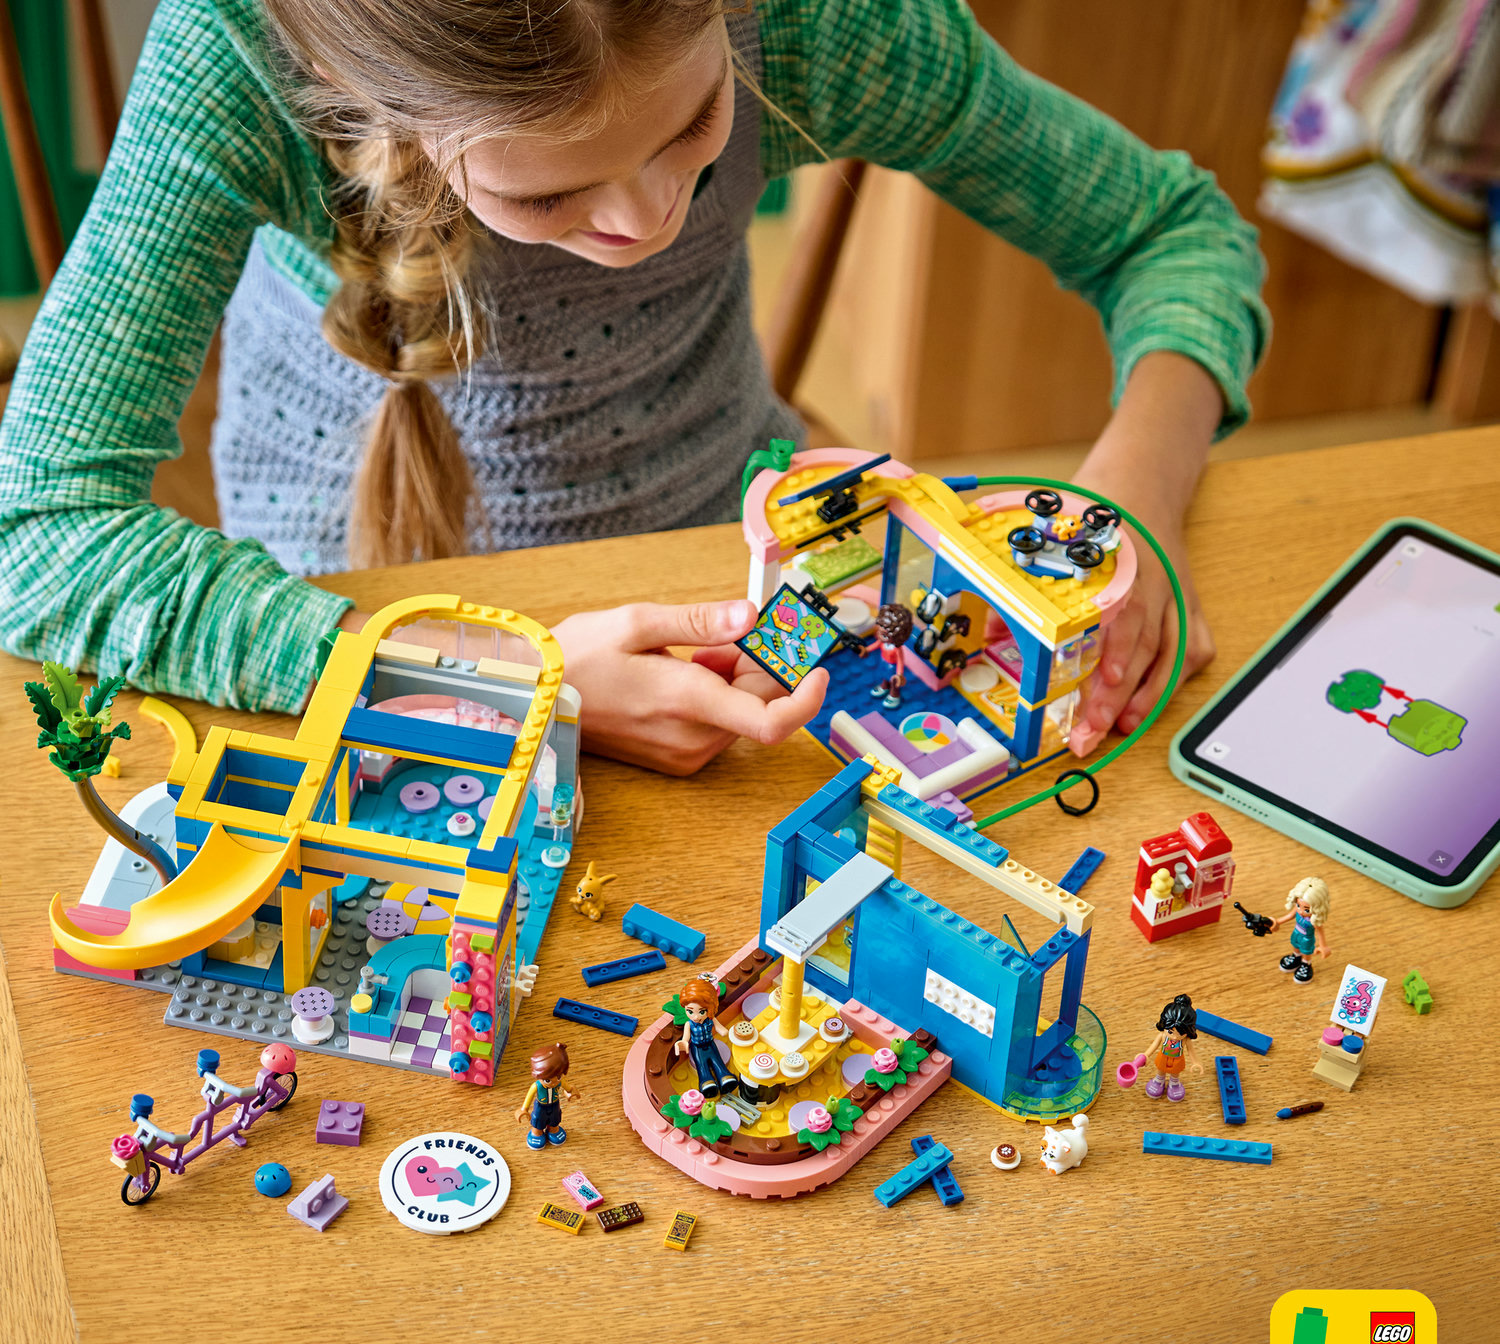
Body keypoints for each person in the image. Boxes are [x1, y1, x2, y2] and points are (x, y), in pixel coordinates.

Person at [0, 0, 1267, 772]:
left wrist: (1131, 512)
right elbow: (37, 533)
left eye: (694, 129)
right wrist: (505, 683)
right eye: (550, 194)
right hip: (337, 619)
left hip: (727, 578)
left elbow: (1173, 234)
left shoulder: (814, 21)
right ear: (354, 95)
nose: (649, 217)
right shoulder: (237, 52)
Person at [673, 975, 738, 1099]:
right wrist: (683, 1042)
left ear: (710, 1009)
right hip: (697, 1047)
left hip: (710, 1044)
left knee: (717, 1060)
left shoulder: (711, 1019)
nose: (696, 1017)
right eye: (690, 1011)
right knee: (702, 1065)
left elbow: (719, 1028)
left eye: (701, 1011)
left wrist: (725, 1032)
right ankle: (707, 1083)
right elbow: (686, 1037)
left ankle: (725, 1077)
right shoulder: (689, 1024)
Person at [1139, 994, 1203, 1103]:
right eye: (1170, 1031)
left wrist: (1196, 1063)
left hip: (1177, 1060)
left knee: (1175, 1073)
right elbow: (1154, 1045)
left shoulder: (1185, 1040)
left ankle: (1174, 1084)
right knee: (1160, 1070)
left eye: (1180, 1033)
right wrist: (1145, 1055)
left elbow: (1191, 1051)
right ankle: (1159, 1081)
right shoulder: (1163, 1036)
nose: (1175, 1037)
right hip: (1163, 1057)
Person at [1269, 876, 1331, 985]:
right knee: (1295, 945)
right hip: (1297, 932)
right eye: (1298, 905)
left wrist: (1323, 946)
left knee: (1306, 951)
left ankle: (1306, 964)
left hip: (1307, 938)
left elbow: (1320, 932)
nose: (1301, 911)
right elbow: (1289, 916)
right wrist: (1277, 922)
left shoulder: (1314, 919)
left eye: (1306, 909)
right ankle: (1296, 957)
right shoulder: (1297, 911)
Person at [514, 1041, 578, 1148]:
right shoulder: (536, 1086)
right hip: (541, 1106)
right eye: (548, 1080)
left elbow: (568, 1088)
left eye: (558, 1077)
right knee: (538, 1121)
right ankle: (537, 1133)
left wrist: (572, 1092)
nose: (554, 1082)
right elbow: (529, 1097)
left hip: (554, 1105)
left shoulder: (560, 1082)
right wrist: (524, 1109)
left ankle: (553, 1130)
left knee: (555, 1119)